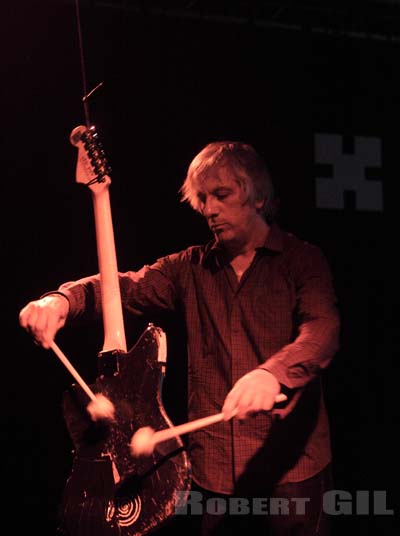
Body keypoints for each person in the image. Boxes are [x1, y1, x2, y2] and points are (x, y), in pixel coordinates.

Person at [19, 140, 340, 535]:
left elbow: (323, 331)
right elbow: (122, 287)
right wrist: (58, 301)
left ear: (258, 196)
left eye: (221, 195)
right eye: (202, 199)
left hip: (292, 472)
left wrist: (272, 374)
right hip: (214, 475)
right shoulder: (189, 268)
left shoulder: (302, 261)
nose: (209, 209)